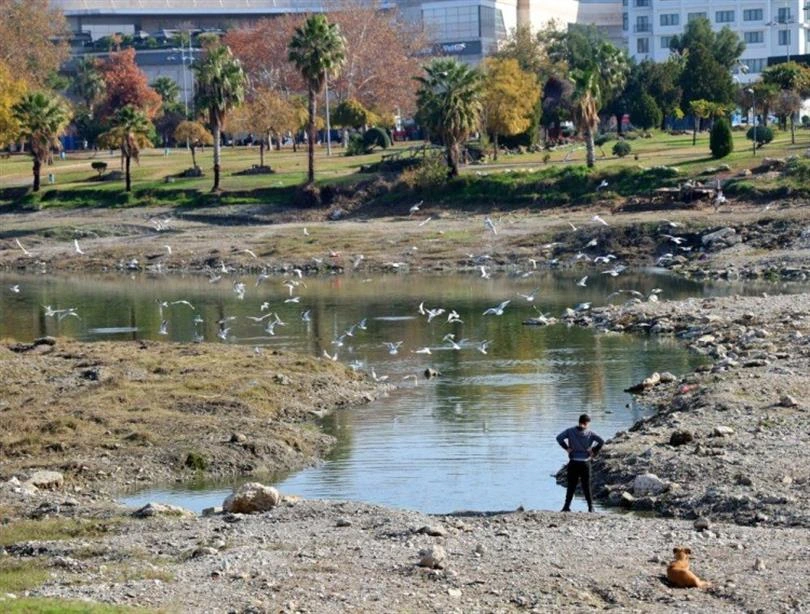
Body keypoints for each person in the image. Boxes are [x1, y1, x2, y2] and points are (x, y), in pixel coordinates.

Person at [556, 414, 604, 512]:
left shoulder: (570, 431)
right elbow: (601, 441)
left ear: (579, 421)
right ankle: (591, 508)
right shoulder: (590, 433)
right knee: (586, 486)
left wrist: (567, 448)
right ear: (586, 423)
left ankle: (566, 507)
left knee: (571, 485)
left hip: (573, 462)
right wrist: (593, 450)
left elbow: (559, 438)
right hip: (585, 463)